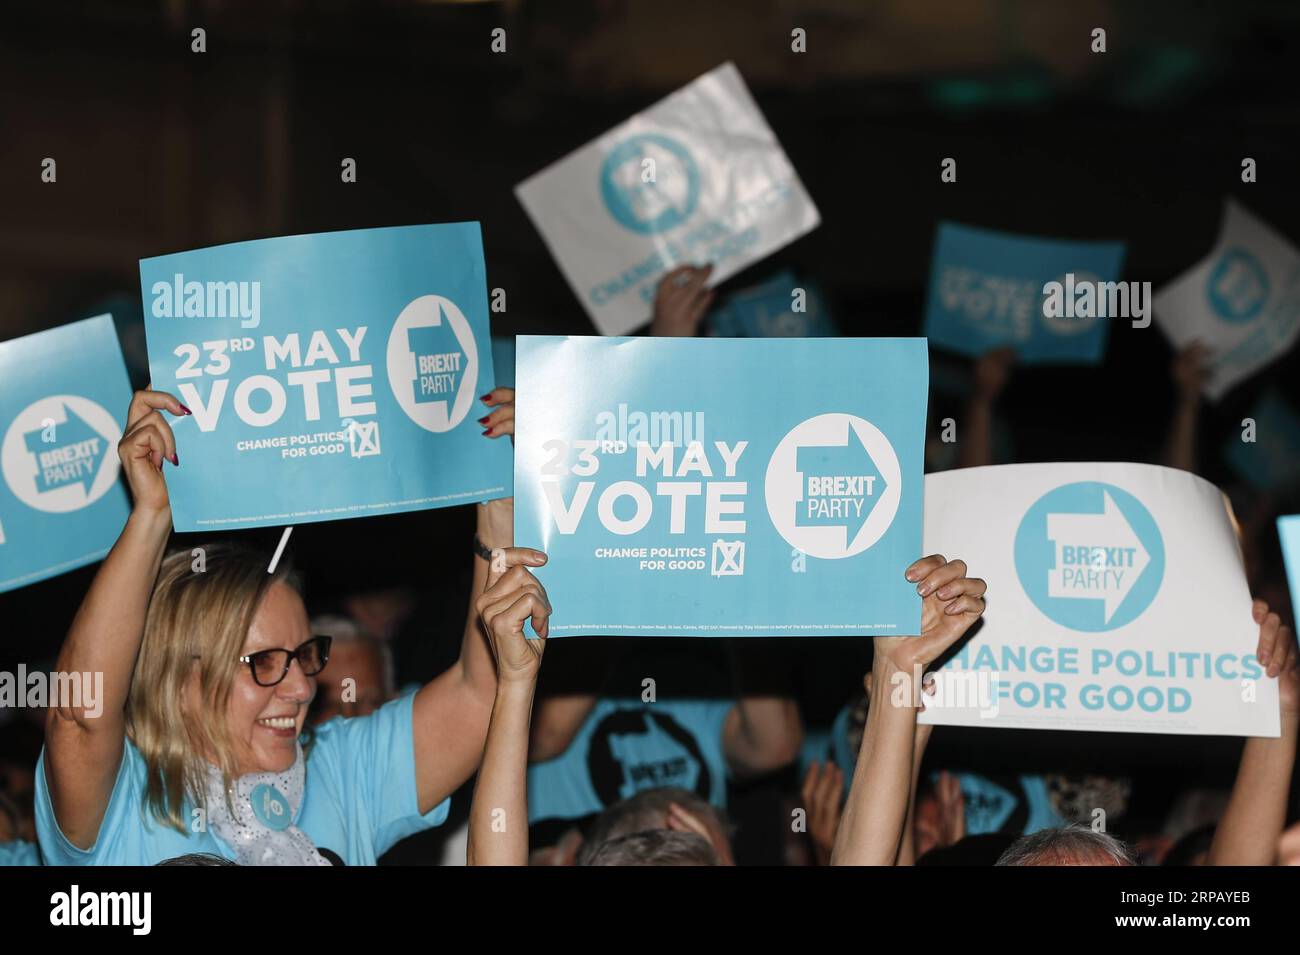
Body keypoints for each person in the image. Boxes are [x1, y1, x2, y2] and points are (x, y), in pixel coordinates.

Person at [35, 385, 524, 865]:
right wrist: (152, 516)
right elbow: (80, 714)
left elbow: (480, 696)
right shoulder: (127, 801)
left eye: (307, 656)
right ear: (179, 678)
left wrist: (498, 509)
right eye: (265, 662)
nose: (302, 688)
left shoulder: (339, 773)